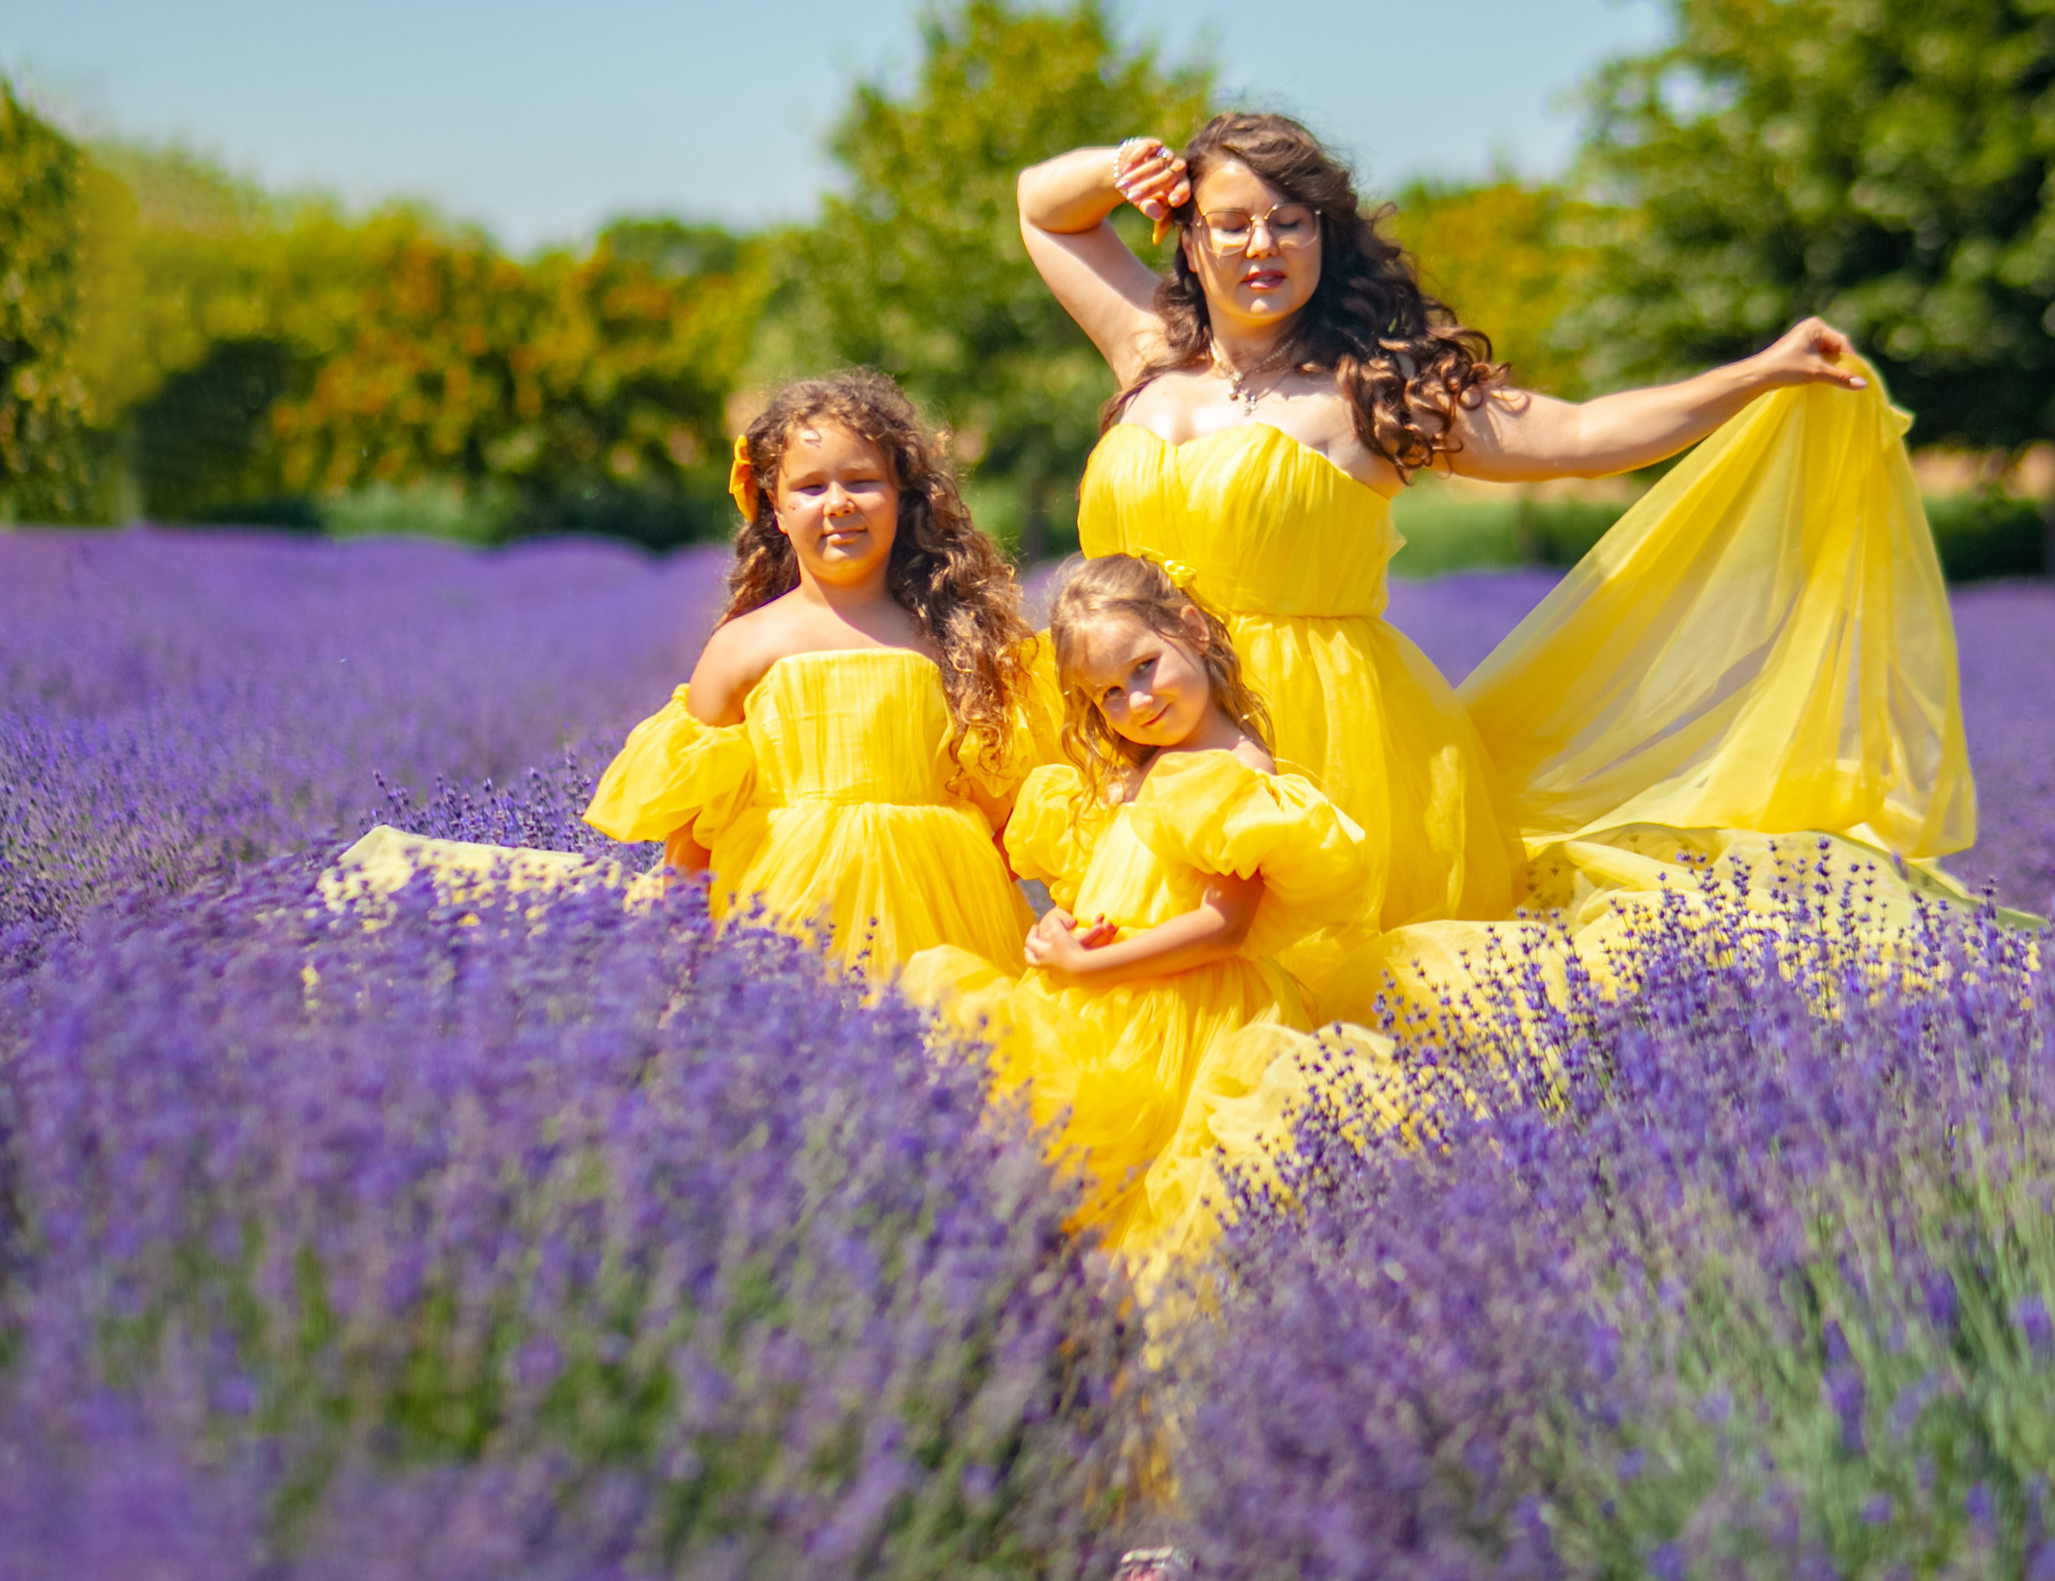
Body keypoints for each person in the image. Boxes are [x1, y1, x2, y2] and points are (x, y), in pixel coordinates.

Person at [1014, 114, 1977, 1009]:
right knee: (1138, 986)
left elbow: (1588, 432)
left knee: (1304, 1006)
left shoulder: (1377, 388)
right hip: (1135, 721)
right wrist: (1118, 168)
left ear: (1326, 237)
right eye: (1231, 223)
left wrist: (1757, 372)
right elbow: (1041, 210)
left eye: (1291, 222)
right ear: (1186, 235)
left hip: (1323, 744)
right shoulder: (1146, 346)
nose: (1261, 246)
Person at [900, 553, 1377, 1266]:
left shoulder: (1236, 770)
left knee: (1162, 1209)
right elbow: (1103, 890)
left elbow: (1226, 926)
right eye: (1110, 694)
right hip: (1102, 1002)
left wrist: (1095, 966)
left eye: (1145, 666)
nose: (1137, 701)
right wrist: (1060, 927)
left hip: (1188, 1018)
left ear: (1192, 628)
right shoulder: (1136, 772)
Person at [582, 369, 1050, 976]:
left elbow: (1009, 811)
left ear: (903, 498)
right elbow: (693, 831)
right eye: (808, 487)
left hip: (941, 916)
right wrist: (679, 950)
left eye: (862, 481)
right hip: (786, 906)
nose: (838, 503)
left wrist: (956, 868)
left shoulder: (953, 638)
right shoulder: (743, 646)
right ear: (774, 508)